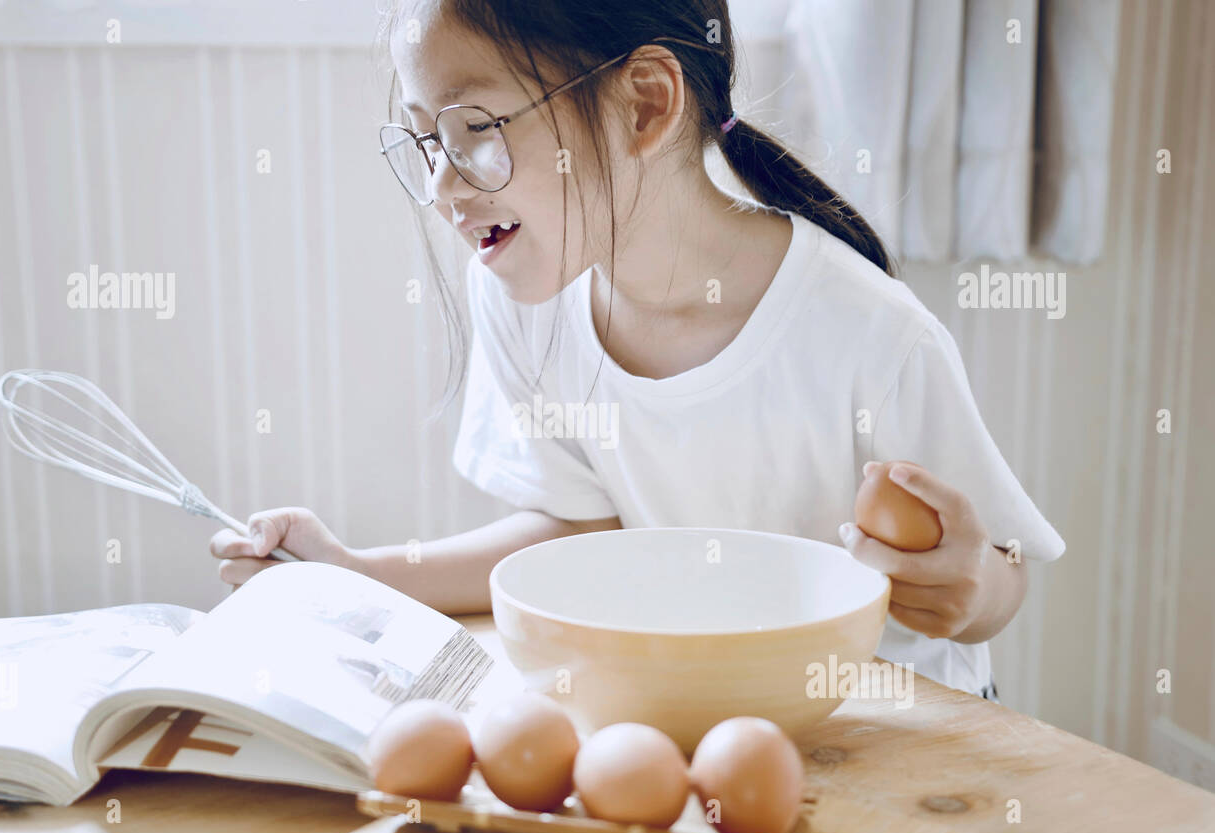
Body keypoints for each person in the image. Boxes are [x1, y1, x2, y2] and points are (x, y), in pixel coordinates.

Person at [210, 0, 1065, 699]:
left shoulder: (871, 336)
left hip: (891, 735)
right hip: (708, 719)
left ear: (646, 103)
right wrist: (353, 572)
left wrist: (973, 590)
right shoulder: (527, 295)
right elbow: (581, 528)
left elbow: (1005, 571)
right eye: (428, 140)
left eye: (474, 129)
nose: (440, 189)